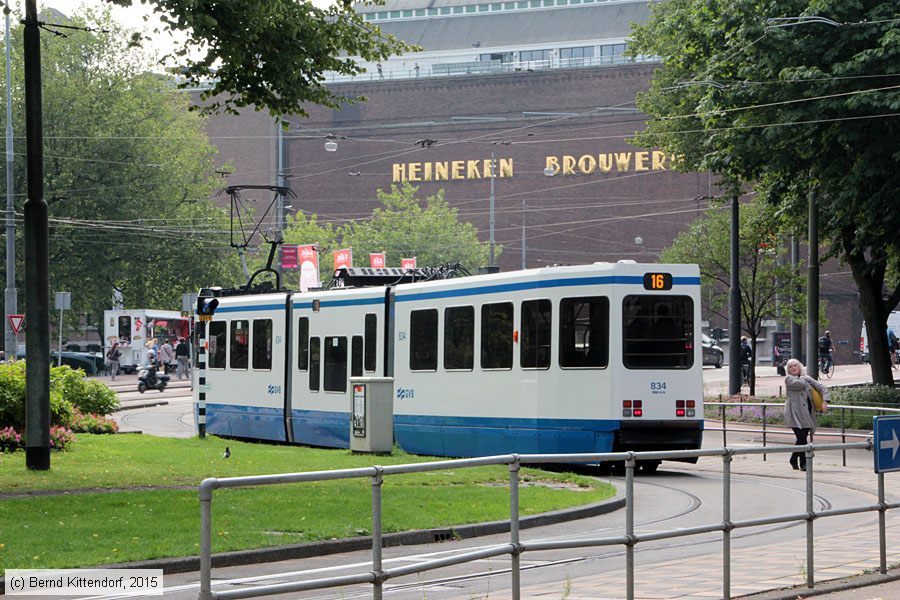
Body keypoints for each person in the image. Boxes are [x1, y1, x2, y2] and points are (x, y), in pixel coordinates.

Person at [783, 358, 830, 471]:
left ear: (799, 367)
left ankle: (793, 459)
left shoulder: (806, 378)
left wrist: (825, 401)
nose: (793, 368)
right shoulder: (789, 379)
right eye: (790, 367)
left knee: (802, 439)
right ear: (788, 370)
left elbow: (822, 387)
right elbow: (799, 384)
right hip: (794, 414)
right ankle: (804, 463)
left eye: (795, 365)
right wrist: (806, 378)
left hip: (807, 413)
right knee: (802, 438)